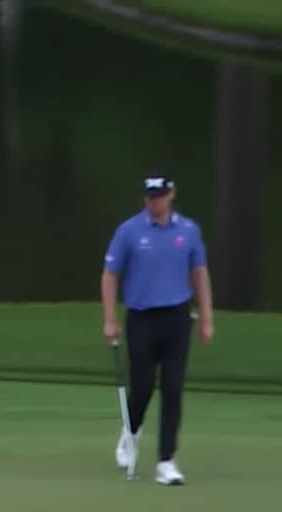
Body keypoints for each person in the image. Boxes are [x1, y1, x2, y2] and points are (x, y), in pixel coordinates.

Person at [102, 173, 215, 486]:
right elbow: (110, 275)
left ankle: (167, 461)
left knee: (174, 389)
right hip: (141, 318)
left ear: (172, 195)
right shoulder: (129, 231)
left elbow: (200, 273)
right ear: (145, 199)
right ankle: (131, 431)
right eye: (152, 197)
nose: (157, 202)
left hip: (178, 317)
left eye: (161, 196)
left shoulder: (189, 230)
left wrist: (206, 317)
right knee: (142, 387)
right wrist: (110, 318)